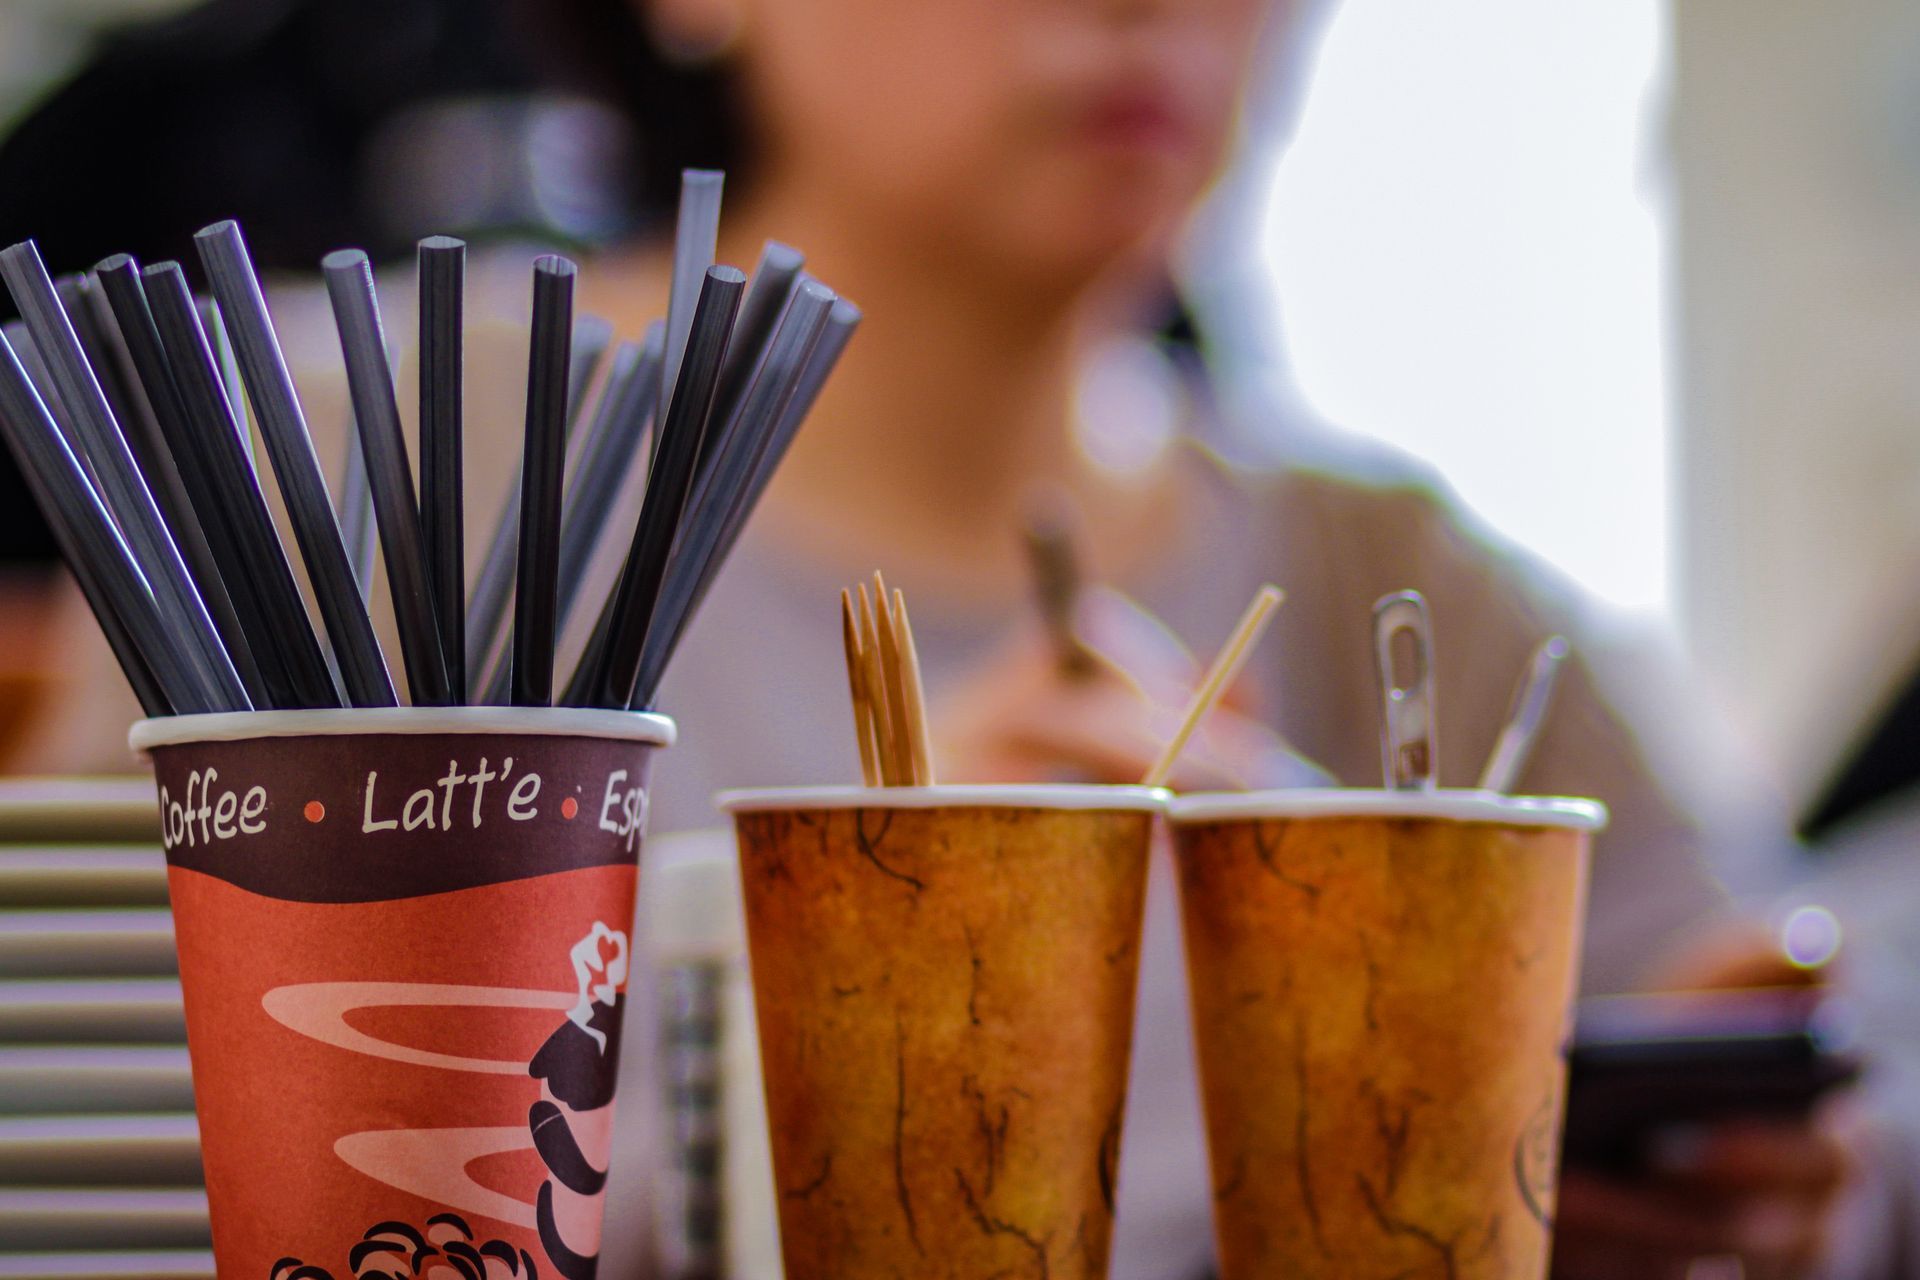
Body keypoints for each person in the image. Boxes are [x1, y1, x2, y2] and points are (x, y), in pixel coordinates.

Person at [0, 0, 1892, 1275]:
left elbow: (1820, 1068)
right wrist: (807, 983)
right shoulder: (346, 458)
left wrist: (1770, 1169)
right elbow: (85, 1178)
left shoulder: (1404, 584)